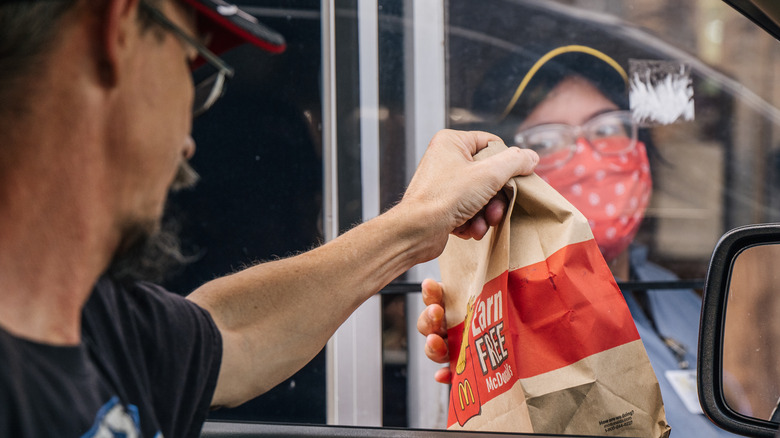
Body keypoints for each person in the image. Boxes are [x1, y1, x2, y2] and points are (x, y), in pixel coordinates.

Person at [0, 0, 540, 436]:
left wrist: (414, 226)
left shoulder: (102, 327)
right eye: (191, 66)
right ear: (118, 31)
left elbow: (235, 333)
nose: (188, 142)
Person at [417, 44, 742, 437]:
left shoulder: (674, 292)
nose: (587, 159)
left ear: (640, 148)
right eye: (546, 141)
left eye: (606, 129)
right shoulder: (522, 322)